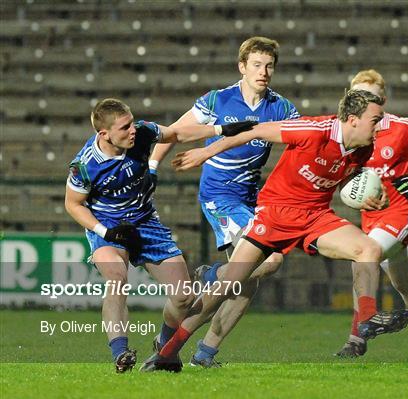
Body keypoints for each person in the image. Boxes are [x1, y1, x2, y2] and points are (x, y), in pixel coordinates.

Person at [140, 89, 390, 372]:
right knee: (227, 287)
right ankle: (167, 353)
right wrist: (205, 152)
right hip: (275, 213)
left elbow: (345, 181)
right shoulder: (313, 129)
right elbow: (253, 131)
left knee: (369, 249)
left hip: (315, 216)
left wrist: (370, 196)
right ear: (353, 119)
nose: (380, 126)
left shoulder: (365, 149)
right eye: (376, 119)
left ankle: (367, 319)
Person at [65, 98, 255, 372]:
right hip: (107, 226)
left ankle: (163, 347)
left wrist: (221, 130)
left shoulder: (142, 132)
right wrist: (106, 231)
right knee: (116, 278)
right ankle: (120, 353)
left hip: (145, 222)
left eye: (132, 123)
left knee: (183, 297)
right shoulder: (84, 165)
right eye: (124, 127)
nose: (133, 130)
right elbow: (73, 204)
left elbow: (176, 134)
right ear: (103, 134)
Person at [149, 36, 299, 367]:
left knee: (247, 284)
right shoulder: (218, 100)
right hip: (220, 196)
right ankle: (214, 274)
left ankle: (204, 353)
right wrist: (152, 167)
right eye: (257, 65)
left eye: (269, 65)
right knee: (270, 261)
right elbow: (173, 132)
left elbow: (301, 141)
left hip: (251, 198)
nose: (264, 72)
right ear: (242, 67)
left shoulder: (282, 107)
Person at [335, 69, 408, 358]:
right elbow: (341, 177)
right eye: (358, 96)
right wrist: (351, 197)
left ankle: (356, 339)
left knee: (363, 256)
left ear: (383, 99)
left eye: (372, 97)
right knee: (405, 284)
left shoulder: (401, 127)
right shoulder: (347, 132)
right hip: (373, 221)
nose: (365, 102)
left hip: (403, 211)